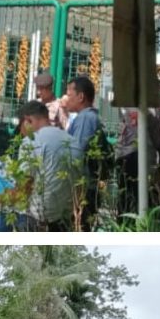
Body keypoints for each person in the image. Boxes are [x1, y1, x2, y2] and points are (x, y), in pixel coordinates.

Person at [0, 100, 80, 231]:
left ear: (28, 121)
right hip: (66, 221)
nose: (22, 134)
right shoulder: (72, 140)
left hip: (37, 221)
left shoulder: (32, 141)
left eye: (21, 128)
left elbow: (21, 194)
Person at [63, 75, 109, 229]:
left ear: (80, 96)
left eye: (69, 95)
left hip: (82, 187)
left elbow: (77, 153)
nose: (65, 98)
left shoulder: (85, 119)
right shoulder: (88, 117)